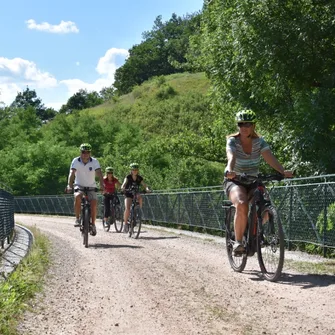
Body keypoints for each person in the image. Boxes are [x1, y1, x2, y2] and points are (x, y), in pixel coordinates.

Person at [223, 109, 293, 254]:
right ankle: (238, 242)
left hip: (254, 180)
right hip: (236, 180)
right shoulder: (233, 141)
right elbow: (231, 156)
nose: (244, 127)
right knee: (242, 204)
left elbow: (269, 158)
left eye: (247, 124)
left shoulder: (259, 142)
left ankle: (254, 230)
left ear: (253, 125)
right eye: (241, 124)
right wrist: (229, 170)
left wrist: (282, 171)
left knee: (266, 209)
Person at [66, 143, 104, 236]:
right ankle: (77, 218)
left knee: (94, 204)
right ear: (80, 152)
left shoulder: (94, 161)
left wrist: (102, 185)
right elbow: (71, 173)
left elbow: (99, 173)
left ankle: (93, 224)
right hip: (79, 185)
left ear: (90, 153)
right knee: (78, 196)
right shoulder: (75, 161)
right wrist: (69, 185)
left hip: (91, 186)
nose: (85, 154)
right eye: (83, 152)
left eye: (87, 152)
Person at [121, 163, 151, 233]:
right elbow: (124, 184)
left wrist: (147, 189)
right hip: (128, 193)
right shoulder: (128, 177)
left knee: (140, 197)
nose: (134, 171)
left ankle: (139, 210)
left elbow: (144, 185)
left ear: (138, 171)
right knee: (127, 208)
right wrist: (122, 187)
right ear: (131, 170)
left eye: (136, 170)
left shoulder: (139, 178)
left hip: (135, 193)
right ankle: (125, 224)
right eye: (133, 170)